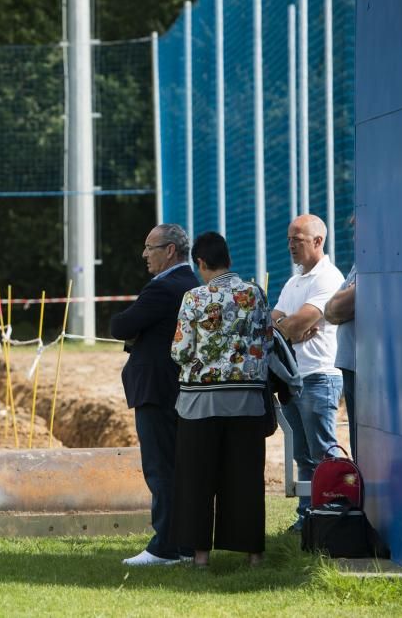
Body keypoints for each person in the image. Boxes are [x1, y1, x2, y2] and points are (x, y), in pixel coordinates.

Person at [170, 232, 273, 567]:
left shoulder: (195, 298)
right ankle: (253, 554)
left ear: (201, 262)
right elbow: (267, 340)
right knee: (245, 478)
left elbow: (181, 350)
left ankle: (200, 557)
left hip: (201, 403)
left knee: (198, 480)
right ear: (228, 258)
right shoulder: (255, 294)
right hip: (247, 401)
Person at [111, 223, 199, 566]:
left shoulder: (165, 287)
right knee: (177, 469)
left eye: (150, 247)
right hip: (176, 388)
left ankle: (165, 547)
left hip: (157, 390)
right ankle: (185, 544)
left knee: (161, 470)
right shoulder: (190, 284)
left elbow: (121, 325)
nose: (144, 254)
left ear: (170, 251)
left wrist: (134, 330)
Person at [271, 214, 344, 531]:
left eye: (297, 240)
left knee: (322, 453)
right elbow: (272, 323)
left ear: (318, 241)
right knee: (303, 455)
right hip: (294, 378)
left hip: (319, 376)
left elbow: (296, 323)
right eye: (289, 239)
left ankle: (331, 516)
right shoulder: (294, 281)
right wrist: (289, 329)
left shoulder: (328, 278)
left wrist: (289, 328)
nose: (290, 245)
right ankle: (308, 518)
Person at [324, 216, 356, 457]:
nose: (353, 228)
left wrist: (339, 304)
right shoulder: (360, 264)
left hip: (365, 368)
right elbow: (331, 310)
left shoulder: (376, 262)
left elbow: (340, 307)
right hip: (351, 364)